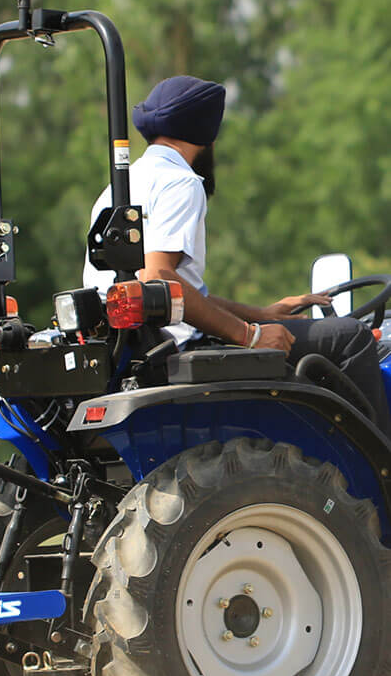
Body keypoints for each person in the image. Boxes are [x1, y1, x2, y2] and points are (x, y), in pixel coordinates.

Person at [83, 74, 391, 435]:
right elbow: (158, 278)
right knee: (350, 337)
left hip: (137, 347)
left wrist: (261, 315)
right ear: (208, 137)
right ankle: (380, 477)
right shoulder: (181, 182)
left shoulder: (119, 185)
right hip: (173, 350)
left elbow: (176, 296)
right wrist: (251, 336)